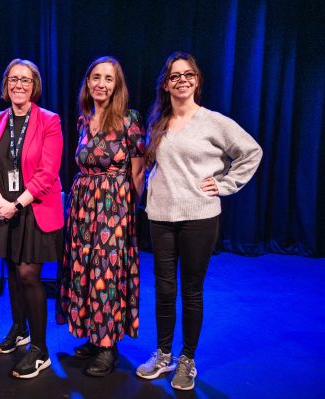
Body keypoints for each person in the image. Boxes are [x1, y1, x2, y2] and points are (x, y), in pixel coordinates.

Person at [135, 52, 262, 390]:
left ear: (197, 80)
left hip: (199, 217)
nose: (182, 80)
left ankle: (187, 359)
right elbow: (154, 166)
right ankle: (163, 354)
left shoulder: (212, 121)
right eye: (175, 76)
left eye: (188, 74)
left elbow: (252, 152)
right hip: (160, 216)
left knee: (191, 290)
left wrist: (225, 184)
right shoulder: (156, 121)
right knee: (164, 289)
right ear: (166, 84)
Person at [57, 56, 146, 377]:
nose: (101, 84)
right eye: (96, 77)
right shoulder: (84, 120)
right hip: (82, 207)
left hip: (114, 208)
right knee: (85, 270)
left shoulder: (129, 120)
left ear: (117, 85)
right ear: (88, 82)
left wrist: (126, 212)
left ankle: (108, 346)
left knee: (107, 274)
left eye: (108, 78)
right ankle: (94, 338)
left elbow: (138, 173)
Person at [0, 59, 63, 379]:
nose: (19, 84)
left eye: (25, 80)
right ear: (6, 84)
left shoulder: (49, 120)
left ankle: (40, 349)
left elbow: (48, 172)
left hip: (34, 207)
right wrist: (0, 200)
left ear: (35, 85)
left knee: (28, 274)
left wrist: (17, 203)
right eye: (13, 79)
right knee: (13, 270)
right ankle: (19, 328)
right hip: (4, 205)